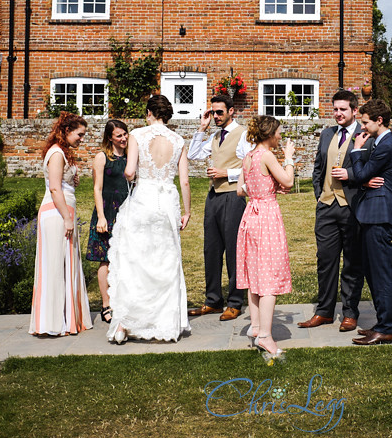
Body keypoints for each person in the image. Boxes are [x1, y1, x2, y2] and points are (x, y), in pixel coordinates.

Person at [106, 96, 192, 343]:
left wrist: (130, 176)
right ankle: (165, 323)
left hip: (143, 198)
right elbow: (184, 180)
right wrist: (187, 211)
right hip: (167, 201)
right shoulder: (178, 141)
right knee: (165, 260)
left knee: (136, 259)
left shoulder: (137, 135)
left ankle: (124, 324)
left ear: (150, 113)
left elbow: (131, 171)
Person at [298, 90, 367, 333]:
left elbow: (370, 170)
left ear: (354, 111)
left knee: (352, 263)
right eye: (335, 109)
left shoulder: (364, 134)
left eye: (343, 110)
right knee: (325, 262)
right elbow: (318, 167)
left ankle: (350, 312)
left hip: (352, 208)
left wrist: (352, 178)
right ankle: (324, 311)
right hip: (326, 207)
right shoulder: (327, 133)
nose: (338, 113)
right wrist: (320, 194)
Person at [186, 94, 253, 321]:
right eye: (212, 112)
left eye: (219, 112)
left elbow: (250, 165)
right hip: (213, 196)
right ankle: (213, 300)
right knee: (211, 250)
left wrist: (228, 173)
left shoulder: (243, 134)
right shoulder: (214, 136)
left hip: (234, 197)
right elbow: (193, 155)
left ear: (231, 111)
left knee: (234, 250)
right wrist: (201, 129)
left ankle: (235, 301)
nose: (215, 116)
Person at [236, 115, 295, 363]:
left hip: (251, 214)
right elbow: (289, 181)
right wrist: (290, 158)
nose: (281, 136)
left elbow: (241, 189)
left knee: (255, 275)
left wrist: (265, 187)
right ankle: (266, 336)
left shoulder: (249, 156)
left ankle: (257, 327)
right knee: (269, 275)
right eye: (279, 132)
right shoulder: (267, 155)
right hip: (267, 217)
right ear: (270, 133)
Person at [29, 112, 93, 337]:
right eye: (80, 134)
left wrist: (73, 180)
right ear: (67, 131)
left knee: (64, 264)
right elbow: (55, 189)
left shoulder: (62, 153)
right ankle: (53, 322)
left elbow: (62, 184)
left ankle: (65, 318)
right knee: (55, 266)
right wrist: (67, 217)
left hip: (63, 212)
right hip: (57, 214)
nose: (81, 139)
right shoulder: (56, 153)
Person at [348, 99, 392, 345]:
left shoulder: (386, 146)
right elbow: (365, 177)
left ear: (379, 121)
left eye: (365, 122)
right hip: (373, 214)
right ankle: (385, 322)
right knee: (373, 271)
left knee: (380, 274)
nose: (362, 127)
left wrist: (357, 150)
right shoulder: (381, 143)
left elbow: (360, 174)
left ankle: (386, 329)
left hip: (380, 216)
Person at [87, 119, 129, 324]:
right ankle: (106, 304)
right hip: (107, 212)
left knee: (127, 259)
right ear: (110, 138)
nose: (123, 138)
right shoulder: (102, 157)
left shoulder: (131, 157)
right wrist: (102, 217)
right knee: (106, 259)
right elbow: (97, 188)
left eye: (125, 134)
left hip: (127, 212)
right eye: (119, 135)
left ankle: (124, 301)